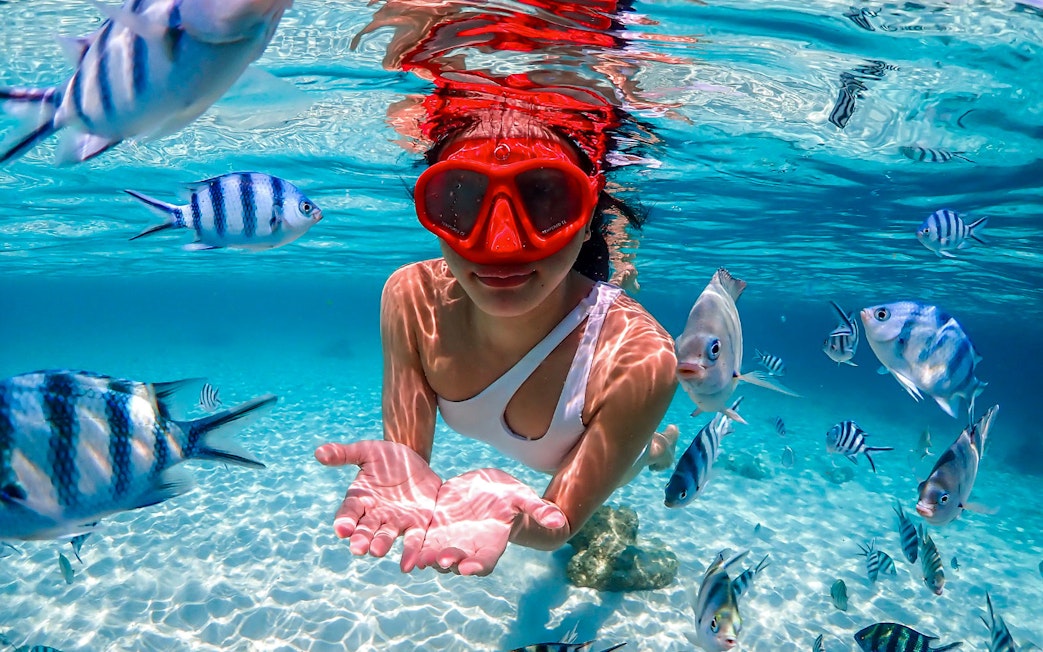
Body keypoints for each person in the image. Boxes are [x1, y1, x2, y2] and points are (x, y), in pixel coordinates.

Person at [314, 0, 681, 577]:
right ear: (429, 206)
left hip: (615, 413)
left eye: (544, 198)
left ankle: (656, 445)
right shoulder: (411, 299)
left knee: (645, 453)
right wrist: (416, 490)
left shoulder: (641, 361)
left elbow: (558, 523)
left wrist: (518, 519)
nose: (502, 247)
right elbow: (408, 463)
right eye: (460, 200)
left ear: (588, 215)